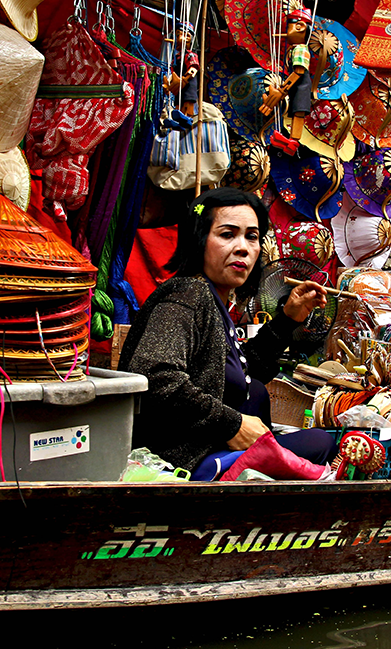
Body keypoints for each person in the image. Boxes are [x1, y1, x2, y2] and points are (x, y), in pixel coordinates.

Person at [119, 187, 337, 480]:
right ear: (199, 240)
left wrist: (286, 321)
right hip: (182, 463)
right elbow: (155, 375)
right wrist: (232, 425)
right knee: (322, 443)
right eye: (227, 234)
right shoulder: (188, 294)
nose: (243, 247)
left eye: (252, 236)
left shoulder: (214, 301)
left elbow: (240, 374)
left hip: (212, 450)